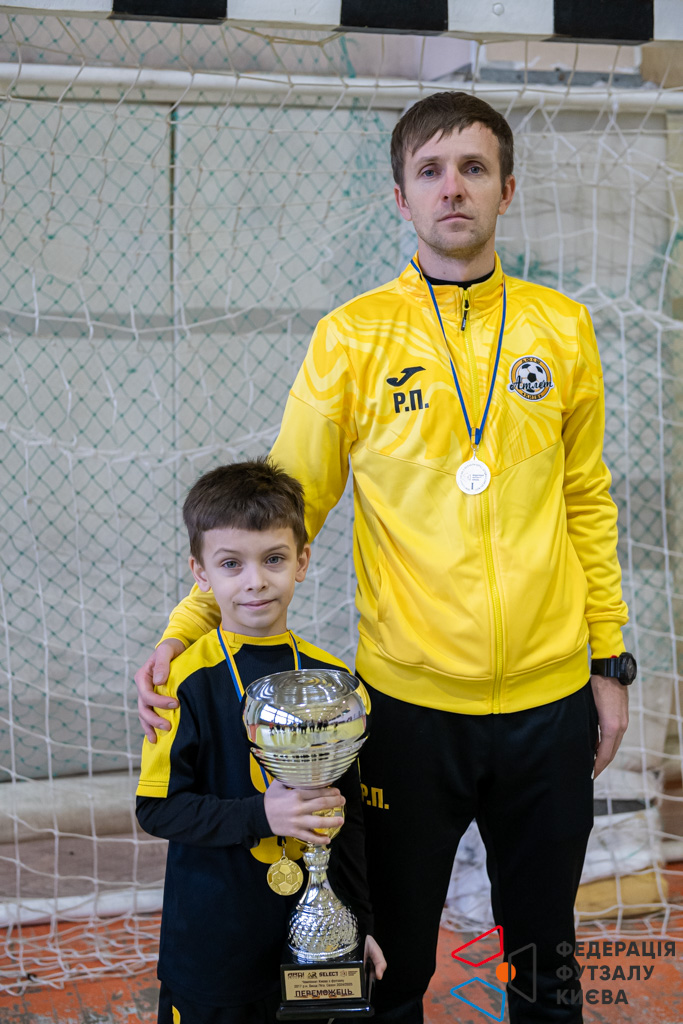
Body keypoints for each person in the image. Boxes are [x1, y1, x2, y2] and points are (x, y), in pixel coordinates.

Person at [135, 93, 633, 1023]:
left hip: (549, 700)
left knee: (544, 955)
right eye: (430, 172)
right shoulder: (352, 337)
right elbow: (280, 506)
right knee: (392, 963)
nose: (453, 189)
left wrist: (608, 661)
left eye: (474, 169)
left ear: (506, 189)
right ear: (400, 199)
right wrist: (188, 626)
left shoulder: (561, 328)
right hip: (407, 710)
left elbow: (585, 501)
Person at [135, 458, 385, 1024]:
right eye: (231, 564)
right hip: (213, 947)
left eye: (274, 559)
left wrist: (360, 925)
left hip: (310, 946)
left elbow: (348, 819)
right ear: (200, 573)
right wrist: (261, 815)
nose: (255, 581)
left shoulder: (333, 681)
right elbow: (157, 809)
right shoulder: (181, 682)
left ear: (302, 561)